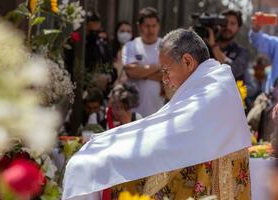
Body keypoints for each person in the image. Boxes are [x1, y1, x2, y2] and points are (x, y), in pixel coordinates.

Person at [63, 29, 251, 200]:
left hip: (214, 181)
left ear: (187, 61)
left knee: (99, 169)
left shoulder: (213, 89)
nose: (165, 79)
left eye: (166, 71)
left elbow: (167, 137)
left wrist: (111, 147)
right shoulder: (212, 82)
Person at [122, 7, 164, 117]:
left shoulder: (166, 46)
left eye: (154, 26)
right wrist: (158, 67)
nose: (151, 30)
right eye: (147, 26)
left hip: (159, 111)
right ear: (139, 26)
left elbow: (168, 75)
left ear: (158, 26)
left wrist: (141, 72)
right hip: (133, 112)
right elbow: (131, 72)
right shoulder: (130, 46)